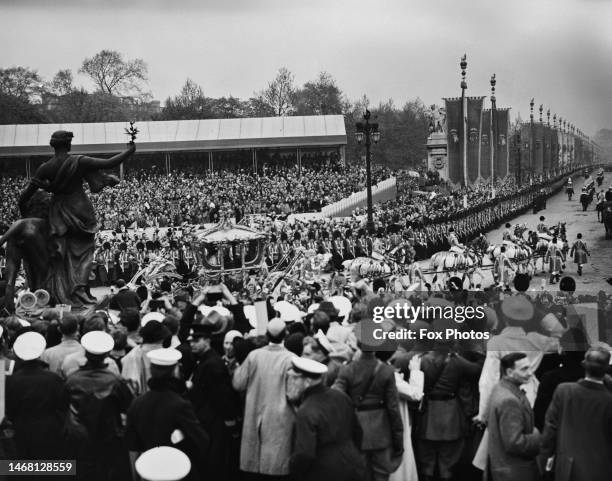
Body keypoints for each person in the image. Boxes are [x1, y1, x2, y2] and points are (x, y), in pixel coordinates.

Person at [17, 131, 135, 306]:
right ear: (68, 144)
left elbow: (24, 197)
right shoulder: (79, 161)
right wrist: (130, 150)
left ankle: (60, 291)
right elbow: (110, 162)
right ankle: (78, 290)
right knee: (84, 252)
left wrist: (25, 214)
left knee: (61, 255)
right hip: (80, 210)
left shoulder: (45, 168)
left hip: (57, 213)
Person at [125, 348, 209, 481]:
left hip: (149, 470)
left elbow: (132, 445)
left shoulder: (137, 403)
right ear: (175, 370)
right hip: (177, 470)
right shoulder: (180, 405)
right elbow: (201, 441)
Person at [232, 318, 296, 478]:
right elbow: (294, 393)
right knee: (276, 465)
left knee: (254, 466)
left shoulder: (254, 356)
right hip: (280, 420)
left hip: (254, 415)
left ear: (267, 335)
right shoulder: (291, 359)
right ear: (286, 334)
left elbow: (238, 384)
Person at [65, 331, 133, 481]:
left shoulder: (72, 380)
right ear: (107, 353)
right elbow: (129, 407)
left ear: (85, 353)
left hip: (81, 440)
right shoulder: (116, 381)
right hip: (109, 438)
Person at [287, 357, 367, 481]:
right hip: (353, 467)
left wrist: (294, 472)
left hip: (323, 472)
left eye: (295, 378)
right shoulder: (341, 396)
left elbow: (304, 453)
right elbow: (358, 432)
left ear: (307, 381)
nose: (291, 382)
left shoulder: (306, 410)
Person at [541, 346, 612, 481]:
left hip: (567, 469)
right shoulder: (608, 400)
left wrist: (544, 464)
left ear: (584, 364)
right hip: (602, 471)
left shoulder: (564, 391)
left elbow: (549, 432)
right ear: (607, 369)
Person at [486, 352, 541, 481]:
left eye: (530, 367)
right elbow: (514, 443)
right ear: (510, 372)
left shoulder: (500, 388)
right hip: (515, 472)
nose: (530, 373)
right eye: (524, 369)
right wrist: (537, 437)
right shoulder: (509, 400)